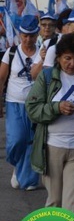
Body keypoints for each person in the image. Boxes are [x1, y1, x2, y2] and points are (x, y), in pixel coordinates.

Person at [26, 34, 74, 216]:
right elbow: (32, 109)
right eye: (67, 58)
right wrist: (57, 107)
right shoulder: (47, 77)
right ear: (58, 58)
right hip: (52, 147)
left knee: (73, 203)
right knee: (55, 201)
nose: (72, 63)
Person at [0, 15, 44, 190]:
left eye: (32, 35)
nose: (28, 39)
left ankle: (28, 179)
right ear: (20, 34)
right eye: (25, 35)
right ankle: (17, 165)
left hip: (36, 105)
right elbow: (1, 79)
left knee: (32, 142)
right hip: (14, 103)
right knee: (16, 140)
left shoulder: (43, 53)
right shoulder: (11, 53)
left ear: (37, 34)